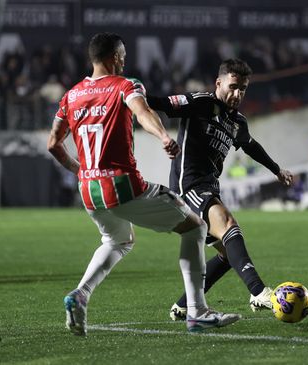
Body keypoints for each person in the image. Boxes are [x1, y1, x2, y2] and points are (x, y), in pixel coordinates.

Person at [47, 32, 240, 336]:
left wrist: (79, 170)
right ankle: (197, 311)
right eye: (122, 55)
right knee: (196, 227)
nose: (125, 61)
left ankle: (80, 294)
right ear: (114, 57)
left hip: (89, 190)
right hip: (123, 185)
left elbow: (53, 143)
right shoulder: (126, 85)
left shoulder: (71, 96)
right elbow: (142, 111)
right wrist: (163, 136)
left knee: (117, 241)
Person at [147, 58, 295, 321]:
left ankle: (183, 306)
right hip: (188, 186)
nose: (238, 94)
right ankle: (259, 292)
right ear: (219, 83)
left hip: (209, 187)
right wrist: (129, 93)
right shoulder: (201, 101)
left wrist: (276, 170)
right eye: (233, 86)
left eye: (243, 89)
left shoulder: (237, 121)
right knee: (228, 224)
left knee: (229, 255)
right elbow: (161, 103)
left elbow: (250, 145)